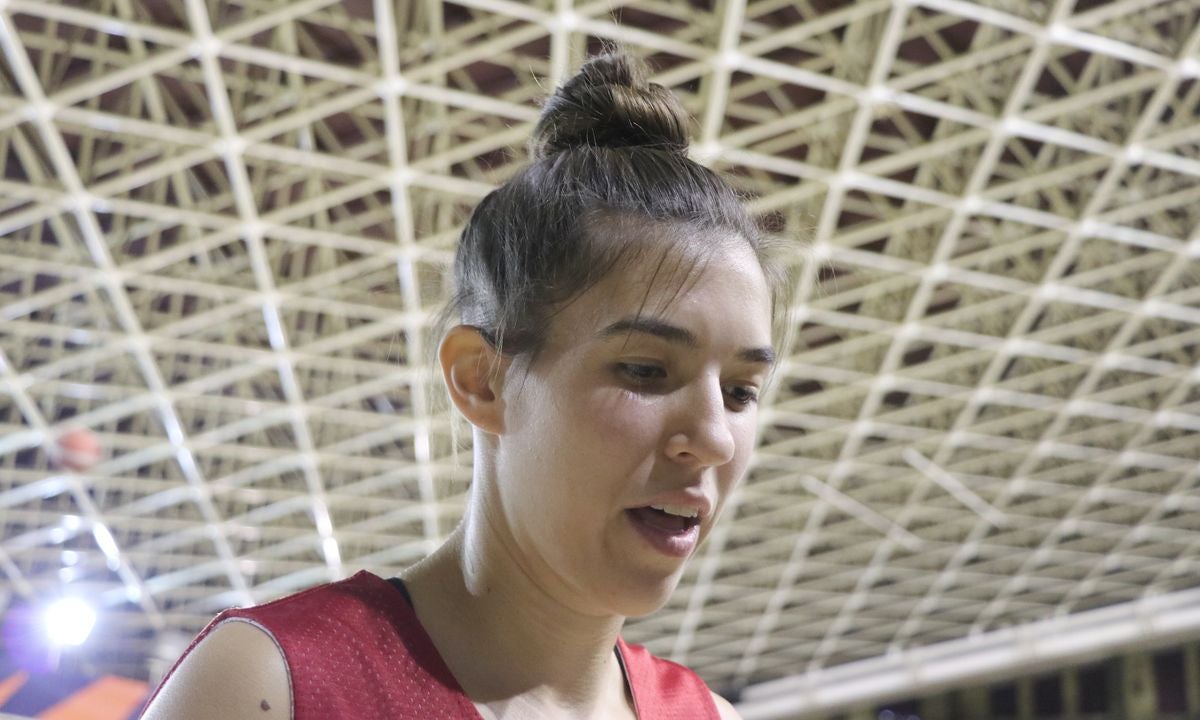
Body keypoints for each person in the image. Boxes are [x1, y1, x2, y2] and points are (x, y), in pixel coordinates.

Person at [139, 51, 793, 720]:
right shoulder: (270, 685)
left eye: (742, 391)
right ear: (481, 380)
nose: (713, 438)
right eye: (646, 372)